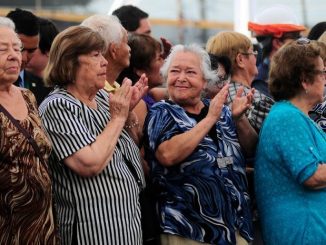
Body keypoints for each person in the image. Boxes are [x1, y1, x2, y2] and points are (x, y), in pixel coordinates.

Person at [39, 25, 147, 245]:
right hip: (94, 229)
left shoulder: (103, 100)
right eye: (96, 55)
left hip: (126, 225)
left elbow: (127, 152)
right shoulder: (59, 105)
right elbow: (89, 164)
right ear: (71, 61)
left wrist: (126, 115)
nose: (105, 61)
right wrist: (117, 117)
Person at [143, 44, 255, 245]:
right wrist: (210, 118)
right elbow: (167, 154)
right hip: (188, 229)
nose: (181, 78)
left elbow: (252, 149)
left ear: (205, 81)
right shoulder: (162, 112)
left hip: (235, 226)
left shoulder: (221, 113)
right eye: (175, 71)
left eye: (190, 72)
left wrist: (239, 119)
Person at [255, 38, 326, 244]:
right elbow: (311, 175)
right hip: (301, 233)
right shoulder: (287, 117)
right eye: (322, 72)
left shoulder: (296, 115)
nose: (325, 78)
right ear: (304, 80)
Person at [0, 17, 57, 244]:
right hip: (7, 228)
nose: (14, 55)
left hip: (42, 224)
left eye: (17, 48)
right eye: (3, 50)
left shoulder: (27, 96)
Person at [206, 31, 274, 133]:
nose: (256, 57)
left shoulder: (213, 98)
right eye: (253, 52)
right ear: (240, 60)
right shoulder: (256, 100)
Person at [248, 5, 305, 97]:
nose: (299, 43)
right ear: (277, 43)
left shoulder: (292, 73)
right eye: (295, 38)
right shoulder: (262, 82)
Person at [25, 17, 59, 104]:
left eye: (31, 50)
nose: (22, 55)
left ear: (49, 50)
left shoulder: (68, 86)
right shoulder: (16, 83)